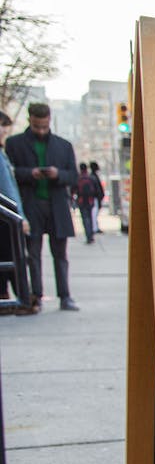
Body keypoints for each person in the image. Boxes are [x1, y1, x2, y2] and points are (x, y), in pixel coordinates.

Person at [6, 102, 79, 311]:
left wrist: (58, 174)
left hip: (56, 205)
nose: (40, 130)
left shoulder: (63, 145)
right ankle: (36, 296)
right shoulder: (14, 144)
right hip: (31, 204)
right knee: (33, 254)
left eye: (44, 126)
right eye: (37, 126)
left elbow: (73, 176)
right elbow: (9, 175)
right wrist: (30, 173)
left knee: (60, 255)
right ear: (30, 120)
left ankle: (65, 296)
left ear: (49, 121)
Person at [0, 111, 30, 315]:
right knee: (11, 254)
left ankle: (11, 296)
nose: (4, 130)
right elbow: (7, 188)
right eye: (2, 126)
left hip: (7, 214)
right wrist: (21, 216)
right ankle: (19, 297)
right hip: (7, 215)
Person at [73, 158, 98, 243]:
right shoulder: (91, 178)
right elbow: (97, 190)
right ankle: (91, 235)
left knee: (85, 219)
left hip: (81, 201)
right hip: (90, 201)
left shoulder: (78, 178)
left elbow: (74, 190)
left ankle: (88, 236)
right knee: (90, 218)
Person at [89, 161, 105, 235]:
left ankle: (95, 228)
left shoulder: (92, 176)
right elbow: (98, 189)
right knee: (94, 214)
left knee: (94, 214)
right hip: (95, 198)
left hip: (95, 198)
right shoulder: (93, 177)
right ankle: (94, 228)